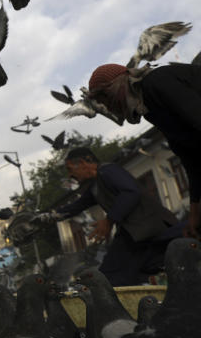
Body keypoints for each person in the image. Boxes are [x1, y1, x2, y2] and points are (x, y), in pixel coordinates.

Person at [86, 62, 201, 238]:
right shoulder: (148, 107)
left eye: (105, 100)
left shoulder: (156, 83)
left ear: (115, 87)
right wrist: (194, 213)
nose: (108, 108)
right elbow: (190, 157)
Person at [53, 146, 183, 286]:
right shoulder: (95, 186)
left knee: (111, 277)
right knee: (112, 277)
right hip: (135, 235)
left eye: (70, 169)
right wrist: (48, 217)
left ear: (83, 164)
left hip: (153, 228)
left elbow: (130, 192)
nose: (70, 175)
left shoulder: (109, 171)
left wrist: (109, 221)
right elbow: (76, 206)